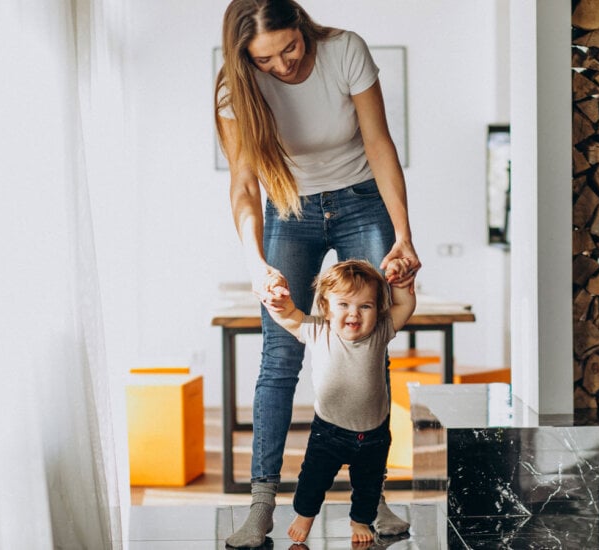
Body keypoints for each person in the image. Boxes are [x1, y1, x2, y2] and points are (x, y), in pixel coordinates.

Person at [214, 0, 421, 546]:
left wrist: (402, 233)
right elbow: (243, 184)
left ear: (302, 27)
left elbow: (379, 143)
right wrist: (256, 263)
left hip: (362, 200)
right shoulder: (234, 92)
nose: (284, 66)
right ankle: (261, 506)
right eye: (266, 60)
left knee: (372, 339)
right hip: (289, 208)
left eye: (290, 48)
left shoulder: (344, 50)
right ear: (244, 58)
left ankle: (371, 496)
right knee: (279, 358)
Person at [264, 259, 416, 543]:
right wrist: (278, 303)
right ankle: (305, 515)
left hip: (374, 434)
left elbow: (405, 306)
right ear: (325, 307)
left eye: (365, 306)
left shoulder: (380, 331)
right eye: (343, 305)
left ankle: (360, 520)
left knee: (369, 486)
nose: (354, 314)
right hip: (329, 432)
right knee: (313, 480)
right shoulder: (318, 330)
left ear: (378, 309)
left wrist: (403, 284)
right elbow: (288, 316)